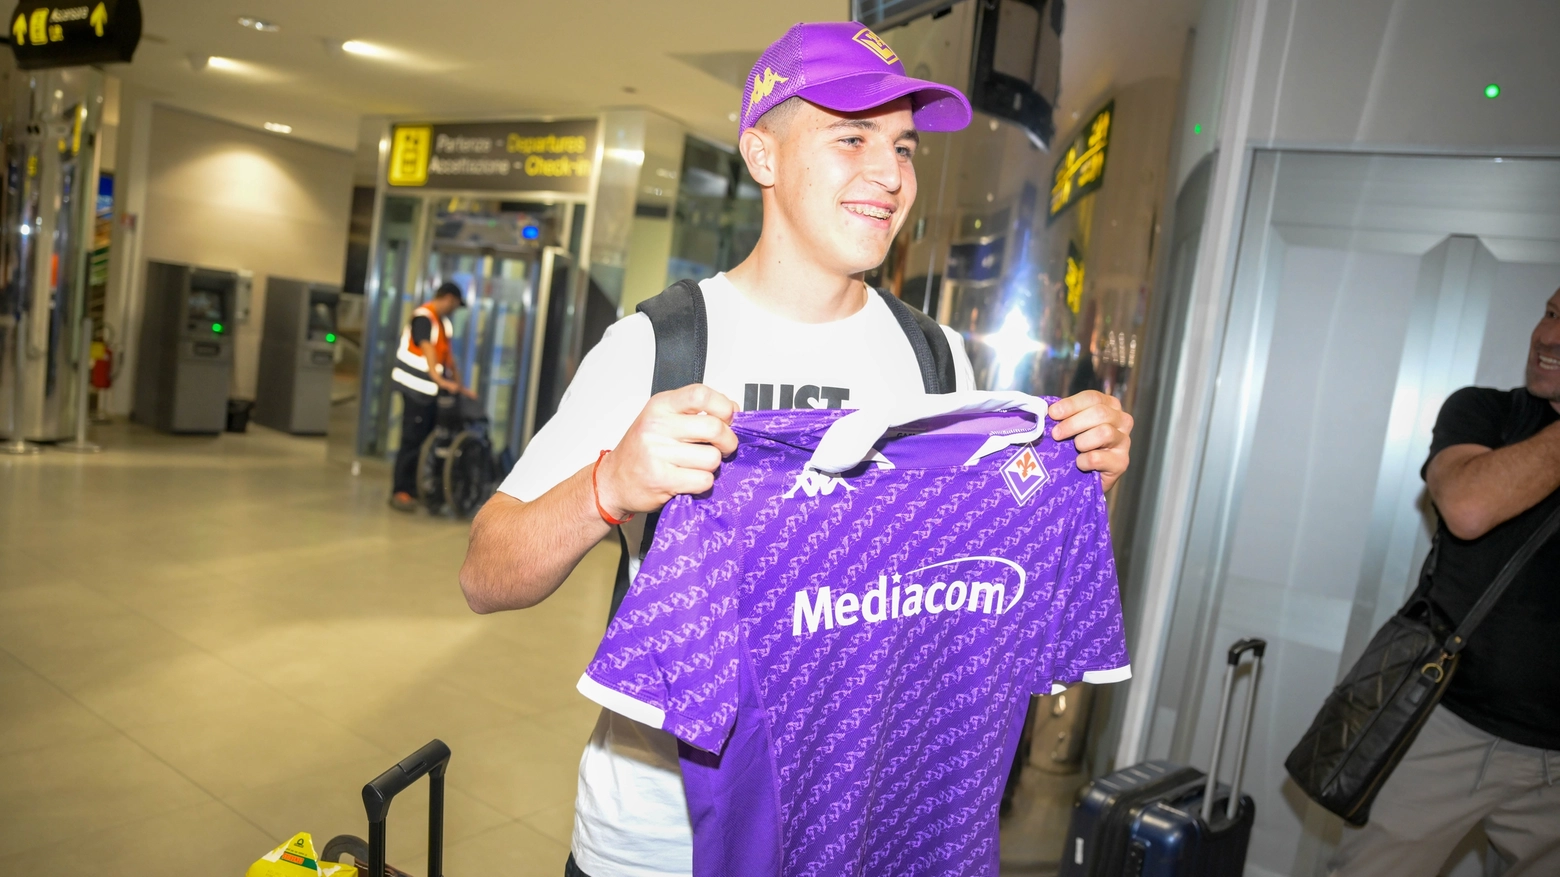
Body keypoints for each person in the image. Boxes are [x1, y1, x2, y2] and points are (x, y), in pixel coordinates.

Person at [459, 22, 1135, 877]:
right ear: (761, 154)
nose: (890, 177)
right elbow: (486, 573)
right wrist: (610, 484)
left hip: (865, 823)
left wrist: (1075, 474)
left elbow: (958, 581)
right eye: (850, 137)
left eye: (904, 147)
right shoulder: (660, 345)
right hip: (659, 844)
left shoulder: (940, 363)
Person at [1330, 288, 1560, 877]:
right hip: (1446, 724)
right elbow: (1467, 506)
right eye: (1552, 314)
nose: (1548, 338)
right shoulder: (1486, 411)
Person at [389, 282, 473, 512]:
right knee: (411, 440)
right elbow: (427, 348)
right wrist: (438, 378)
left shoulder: (443, 323)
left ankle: (417, 488)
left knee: (426, 441)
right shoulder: (424, 317)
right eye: (455, 304)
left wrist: (459, 386)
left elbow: (448, 357)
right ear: (448, 298)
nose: (455, 309)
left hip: (430, 392)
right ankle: (401, 490)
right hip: (414, 388)